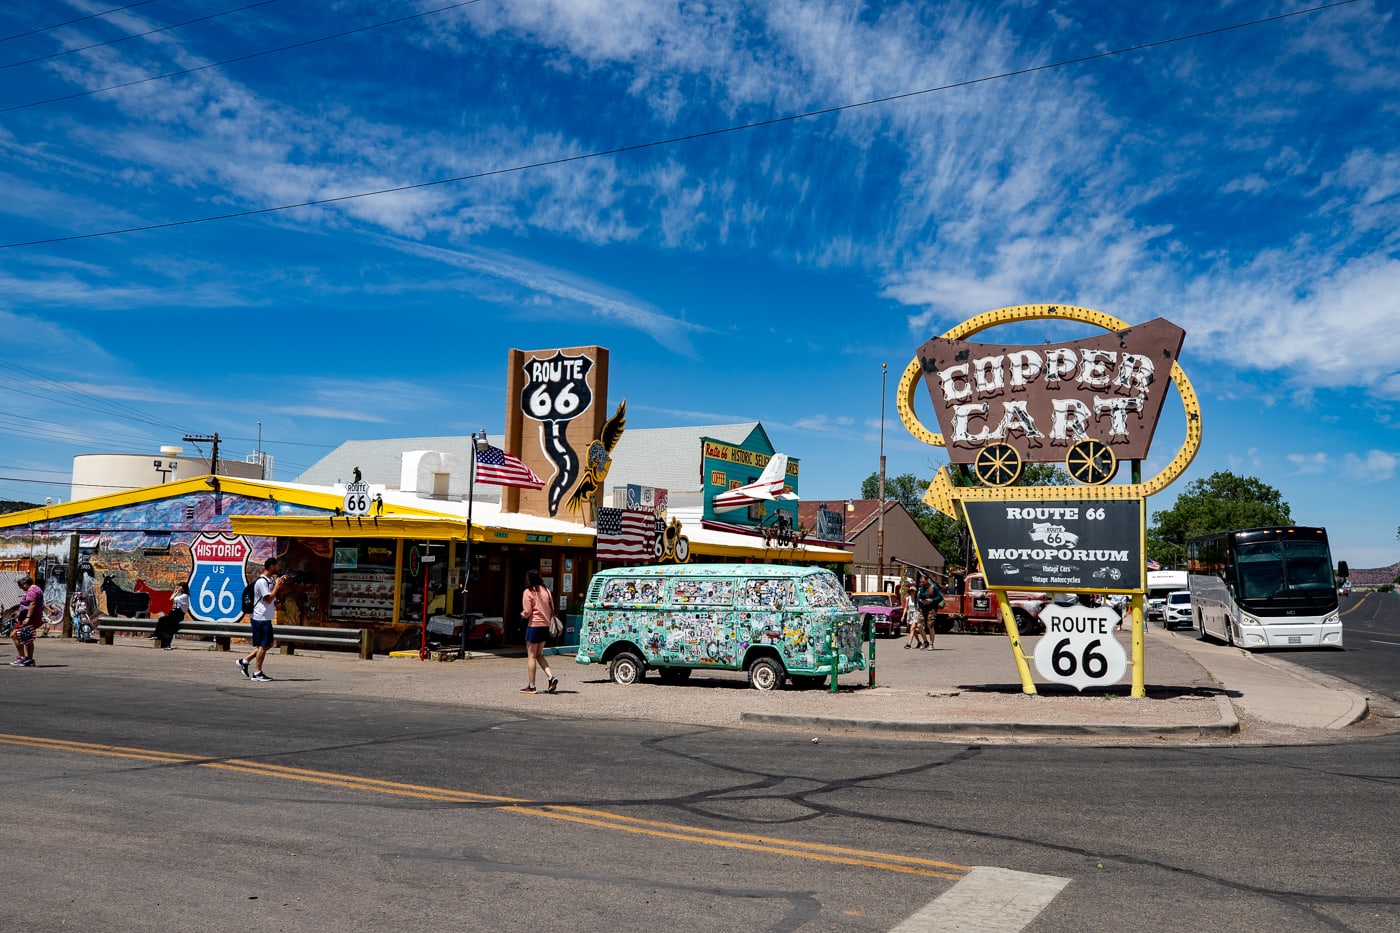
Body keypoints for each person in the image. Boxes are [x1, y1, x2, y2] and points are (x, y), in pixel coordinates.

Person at [238, 558, 278, 682]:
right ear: (271, 567)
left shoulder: (269, 580)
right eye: (277, 566)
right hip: (260, 618)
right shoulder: (261, 582)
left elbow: (269, 599)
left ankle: (245, 661)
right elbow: (268, 599)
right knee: (264, 644)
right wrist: (277, 586)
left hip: (266, 617)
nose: (278, 568)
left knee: (269, 644)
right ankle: (257, 673)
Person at [519, 569, 557, 694]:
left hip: (534, 625)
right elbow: (552, 609)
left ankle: (532, 686)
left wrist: (522, 614)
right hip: (545, 626)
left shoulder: (528, 592)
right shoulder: (546, 591)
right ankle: (551, 677)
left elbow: (527, 611)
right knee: (539, 654)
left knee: (531, 656)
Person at [10, 572, 42, 667]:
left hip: (29, 618)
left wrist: (27, 617)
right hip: (31, 617)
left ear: (25, 583)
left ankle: (22, 657)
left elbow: (32, 604)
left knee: (15, 634)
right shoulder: (36, 589)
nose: (20, 587)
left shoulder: (32, 590)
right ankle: (29, 659)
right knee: (27, 637)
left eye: (20, 585)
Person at [154, 582, 191, 649]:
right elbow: (170, 598)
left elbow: (174, 598)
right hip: (173, 613)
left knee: (168, 629)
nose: (178, 588)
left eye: (179, 587)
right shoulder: (180, 594)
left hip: (178, 614)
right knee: (162, 619)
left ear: (183, 588)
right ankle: (156, 635)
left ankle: (167, 645)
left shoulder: (185, 596)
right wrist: (175, 591)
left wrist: (176, 592)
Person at [917, 575, 944, 650]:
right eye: (921, 582)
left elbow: (940, 597)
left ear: (926, 580)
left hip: (931, 609)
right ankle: (925, 641)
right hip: (923, 609)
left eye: (923, 581)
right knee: (919, 625)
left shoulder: (933, 587)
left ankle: (931, 644)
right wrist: (920, 600)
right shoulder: (922, 589)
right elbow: (919, 597)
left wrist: (932, 600)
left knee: (930, 626)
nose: (921, 583)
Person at [903, 580, 927, 650]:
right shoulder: (908, 598)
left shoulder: (917, 599)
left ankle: (909, 644)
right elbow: (906, 607)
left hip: (916, 613)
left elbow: (922, 604)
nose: (912, 592)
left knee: (912, 628)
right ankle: (919, 642)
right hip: (910, 614)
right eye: (911, 591)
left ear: (915, 592)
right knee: (913, 630)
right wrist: (903, 615)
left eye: (913, 591)